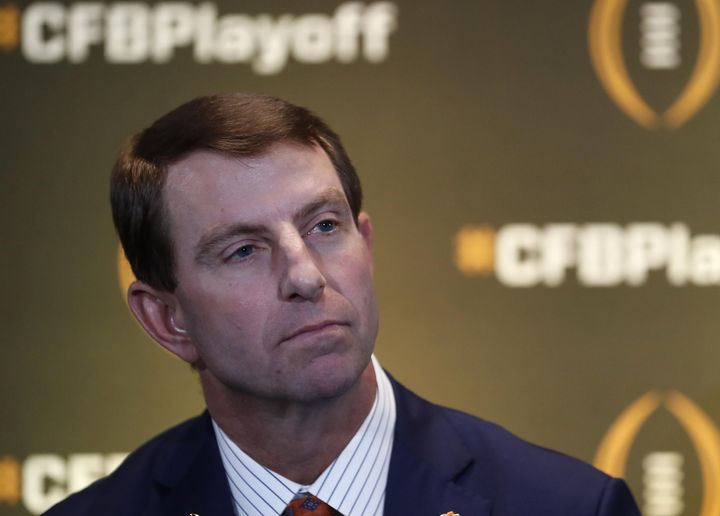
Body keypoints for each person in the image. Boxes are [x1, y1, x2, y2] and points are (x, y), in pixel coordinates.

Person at [45, 93, 640, 516]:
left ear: (367, 244)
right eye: (244, 250)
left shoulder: (567, 505)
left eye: (325, 226)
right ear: (167, 318)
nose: (305, 275)